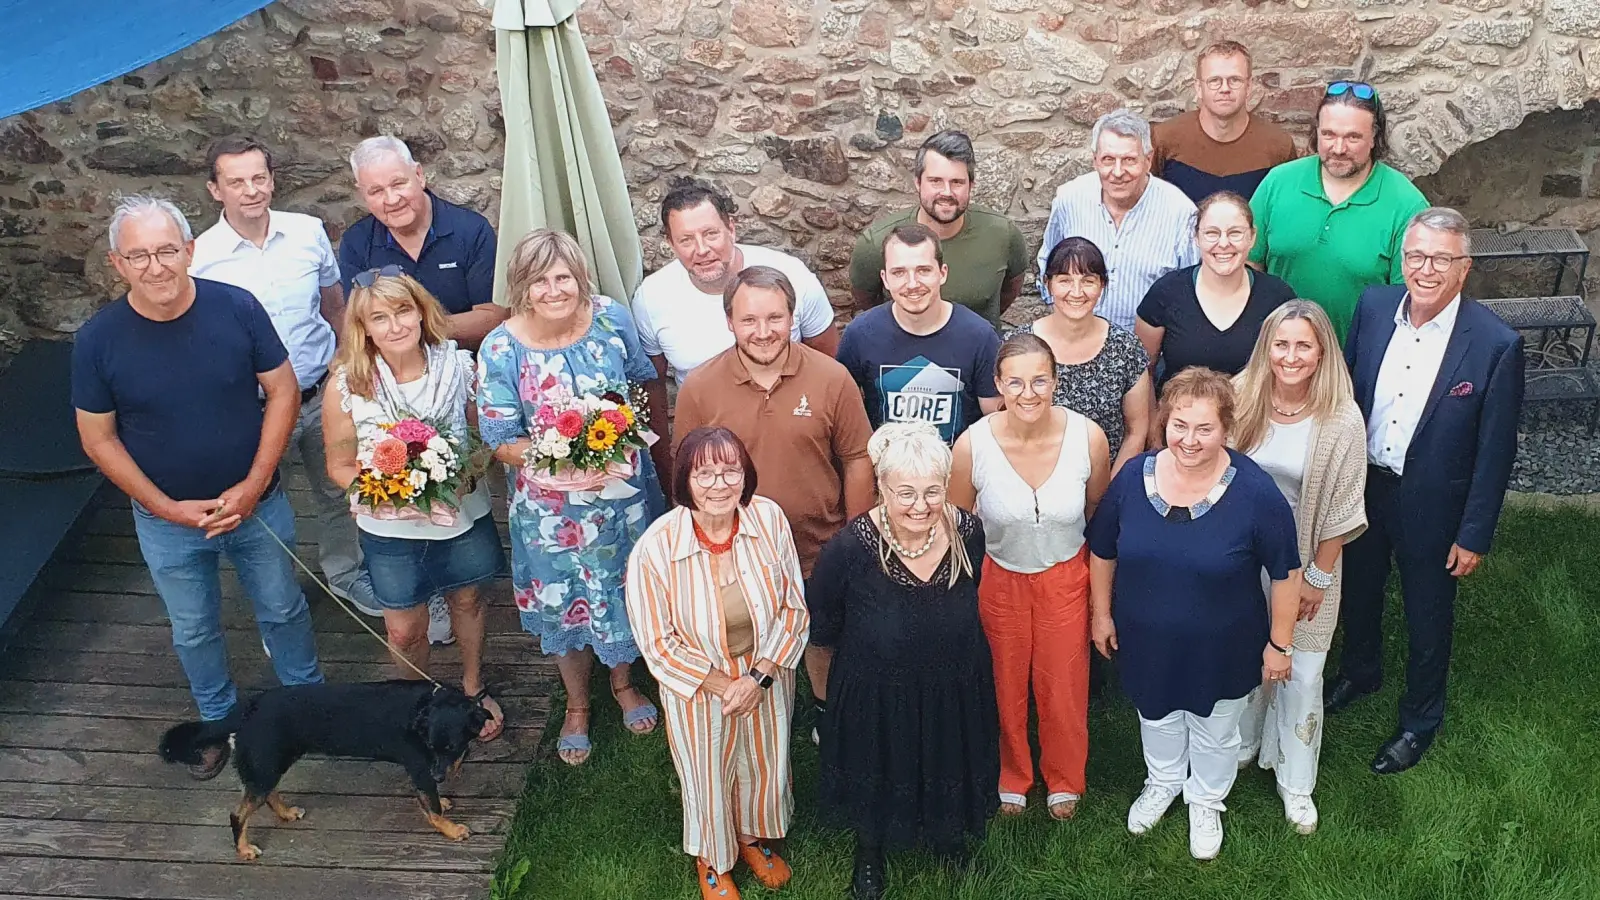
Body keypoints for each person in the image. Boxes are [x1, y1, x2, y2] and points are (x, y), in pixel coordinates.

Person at [72, 195, 323, 779]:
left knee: (284, 608)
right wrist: (166, 508)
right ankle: (216, 723)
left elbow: (283, 391)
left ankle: (307, 707)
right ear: (117, 264)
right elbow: (99, 439)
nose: (155, 266)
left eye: (165, 250)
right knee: (193, 627)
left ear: (189, 250)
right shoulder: (97, 340)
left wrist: (255, 484)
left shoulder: (237, 308)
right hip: (166, 522)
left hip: (257, 504)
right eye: (139, 255)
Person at [1326, 207, 1524, 775]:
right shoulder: (1373, 306)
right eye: (1416, 255)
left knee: (1427, 613)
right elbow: (1347, 393)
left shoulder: (1494, 344)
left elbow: (1496, 452)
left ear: (1464, 268)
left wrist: (1474, 533)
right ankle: (1360, 673)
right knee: (1360, 590)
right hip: (1365, 485)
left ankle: (1419, 719)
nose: (1426, 269)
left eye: (1441, 258)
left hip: (1434, 505)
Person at [1086, 367, 1300, 861]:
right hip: (1145, 637)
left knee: (1215, 726)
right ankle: (1162, 781)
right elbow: (1102, 551)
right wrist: (1102, 615)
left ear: (1227, 428)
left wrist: (1280, 644)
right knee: (1155, 715)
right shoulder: (1133, 482)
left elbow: (1286, 573)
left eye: (1205, 428)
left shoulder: (1255, 493)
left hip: (1223, 644)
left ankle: (1205, 799)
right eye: (1180, 425)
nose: (1190, 439)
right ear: (1164, 421)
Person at [477, 229, 666, 765]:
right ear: (522, 286)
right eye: (541, 280)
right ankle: (578, 704)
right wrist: (562, 461)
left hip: (620, 498)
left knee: (623, 589)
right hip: (548, 511)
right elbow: (500, 441)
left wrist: (619, 440)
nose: (555, 289)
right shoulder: (501, 347)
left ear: (580, 276)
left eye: (563, 277)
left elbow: (635, 385)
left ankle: (624, 682)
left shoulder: (610, 319)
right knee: (565, 600)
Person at [188, 135, 387, 623]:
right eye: (236, 182)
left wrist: (350, 369)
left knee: (337, 492)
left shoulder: (308, 231)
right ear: (216, 190)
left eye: (259, 178)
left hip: (320, 391)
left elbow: (335, 305)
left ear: (272, 180)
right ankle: (276, 600)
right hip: (250, 408)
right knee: (260, 507)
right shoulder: (201, 257)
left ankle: (345, 575)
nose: (251, 190)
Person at [672, 266, 875, 735]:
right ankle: (756, 718)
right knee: (745, 638)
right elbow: (689, 475)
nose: (763, 332)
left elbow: (858, 458)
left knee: (823, 637)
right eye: (749, 320)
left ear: (792, 317)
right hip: (737, 553)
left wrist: (854, 536)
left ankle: (828, 712)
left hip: (819, 546)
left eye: (774, 318)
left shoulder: (832, 378)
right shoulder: (701, 388)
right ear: (729, 321)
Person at [808, 421, 998, 899]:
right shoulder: (849, 549)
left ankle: (947, 835)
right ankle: (870, 852)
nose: (920, 506)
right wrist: (826, 705)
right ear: (882, 489)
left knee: (948, 754)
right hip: (876, 691)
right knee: (880, 766)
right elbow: (822, 631)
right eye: (906, 492)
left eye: (933, 491)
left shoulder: (968, 531)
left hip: (954, 683)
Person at [626, 427, 811, 900]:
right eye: (704, 473)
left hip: (764, 670)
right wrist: (725, 685)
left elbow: (793, 607)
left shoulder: (768, 519)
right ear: (684, 480)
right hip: (699, 683)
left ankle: (751, 839)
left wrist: (759, 676)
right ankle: (713, 859)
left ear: (745, 474)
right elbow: (657, 642)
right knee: (707, 771)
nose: (719, 484)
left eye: (730, 470)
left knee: (764, 760)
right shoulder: (656, 547)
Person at [322, 270, 507, 742]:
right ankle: (412, 703)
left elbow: (483, 438)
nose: (395, 325)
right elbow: (339, 464)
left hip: (461, 516)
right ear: (363, 328)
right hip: (390, 529)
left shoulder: (460, 367)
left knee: (467, 599)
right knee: (405, 630)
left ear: (422, 311)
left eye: (403, 310)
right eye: (379, 318)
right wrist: (386, 489)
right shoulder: (348, 383)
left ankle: (472, 687)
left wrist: (460, 474)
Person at [949, 333, 1110, 821]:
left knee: (1064, 684)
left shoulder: (1089, 438)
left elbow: (1096, 509)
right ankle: (1011, 777)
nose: (1028, 392)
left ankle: (1064, 779)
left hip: (1066, 574)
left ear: (1056, 381)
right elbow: (958, 524)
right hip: (1000, 576)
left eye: (1040, 380)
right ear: (998, 384)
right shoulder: (972, 444)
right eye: (1015, 382)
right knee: (1003, 682)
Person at [1231, 301, 1369, 835]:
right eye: (1280, 344)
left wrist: (1319, 575)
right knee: (1245, 657)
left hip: (1308, 561)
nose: (1290, 356)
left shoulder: (1341, 416)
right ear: (1267, 346)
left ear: (1322, 352)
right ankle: (1242, 745)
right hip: (1243, 561)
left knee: (1303, 673)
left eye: (1303, 346)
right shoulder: (1242, 396)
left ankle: (1296, 781)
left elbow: (1344, 506)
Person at [632, 177, 839, 481]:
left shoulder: (792, 276)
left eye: (711, 234)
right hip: (711, 462)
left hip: (795, 441)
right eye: (686, 240)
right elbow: (654, 393)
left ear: (732, 227)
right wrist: (668, 473)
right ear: (669, 242)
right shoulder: (652, 298)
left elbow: (828, 361)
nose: (701, 250)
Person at [1249, 82, 1430, 342]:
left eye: (1353, 137)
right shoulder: (1278, 183)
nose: (1338, 148)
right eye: (1329, 135)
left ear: (1374, 138)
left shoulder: (1406, 203)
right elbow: (1249, 265)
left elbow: (1412, 299)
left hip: (1358, 363)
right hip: (1283, 358)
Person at [836, 224, 1002, 446]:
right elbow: (842, 420)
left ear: (942, 273)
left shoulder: (980, 337)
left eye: (923, 270)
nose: (912, 284)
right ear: (885, 279)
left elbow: (997, 424)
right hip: (885, 473)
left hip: (957, 474)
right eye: (899, 273)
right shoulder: (860, 335)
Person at [338, 135, 507, 351]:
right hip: (393, 370)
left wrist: (415, 325)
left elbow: (493, 317)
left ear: (419, 175)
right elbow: (357, 323)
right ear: (362, 194)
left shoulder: (472, 230)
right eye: (376, 191)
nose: (391, 199)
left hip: (470, 363)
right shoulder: (356, 243)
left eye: (398, 183)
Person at [1036, 109, 1199, 332]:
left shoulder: (1180, 213)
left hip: (1149, 352)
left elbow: (1190, 291)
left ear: (1148, 160)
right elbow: (1048, 262)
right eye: (1108, 160)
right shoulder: (1069, 199)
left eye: (1129, 160)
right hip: (1076, 343)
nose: (1118, 171)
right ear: (1095, 161)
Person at [848, 130, 1030, 326]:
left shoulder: (1002, 234)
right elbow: (868, 302)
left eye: (957, 182)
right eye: (935, 181)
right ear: (918, 182)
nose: (946, 192)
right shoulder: (877, 243)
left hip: (979, 352)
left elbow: (1010, 289)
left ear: (971, 185)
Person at [1007, 237, 1152, 479]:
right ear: (1048, 283)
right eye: (1065, 280)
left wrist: (1110, 497)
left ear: (1102, 285)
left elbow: (1136, 431)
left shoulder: (1125, 348)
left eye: (1088, 281)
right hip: (1030, 483)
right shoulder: (1018, 345)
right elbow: (1003, 421)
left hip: (1106, 483)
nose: (1076, 292)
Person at [1136, 191, 1298, 396]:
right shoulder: (1166, 293)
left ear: (1252, 236)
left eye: (1235, 233)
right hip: (1182, 423)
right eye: (1212, 233)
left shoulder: (1278, 298)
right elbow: (1143, 372)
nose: (1223, 244)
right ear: (1196, 237)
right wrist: (1153, 427)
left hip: (1254, 423)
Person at [1152, 41, 1297, 203]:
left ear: (1248, 86)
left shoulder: (1278, 146)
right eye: (1214, 80)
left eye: (1235, 80)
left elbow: (1286, 209)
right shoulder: (1164, 140)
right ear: (1199, 87)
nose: (1225, 88)